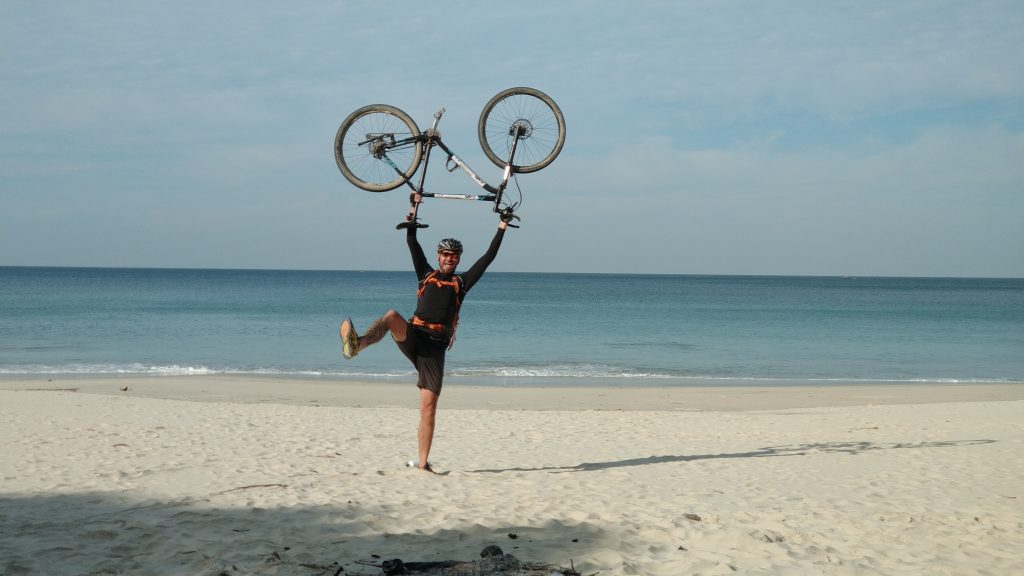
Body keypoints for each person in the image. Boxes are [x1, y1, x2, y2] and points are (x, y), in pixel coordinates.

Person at [339, 195, 511, 473]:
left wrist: (502, 225)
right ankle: (358, 344)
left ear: (457, 260)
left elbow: (488, 257)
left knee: (428, 408)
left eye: (454, 256)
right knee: (393, 316)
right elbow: (411, 242)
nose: (449, 259)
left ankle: (422, 464)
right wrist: (413, 209)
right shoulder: (425, 275)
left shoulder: (461, 283)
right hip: (414, 337)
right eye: (445, 255)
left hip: (434, 351)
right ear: (438, 256)